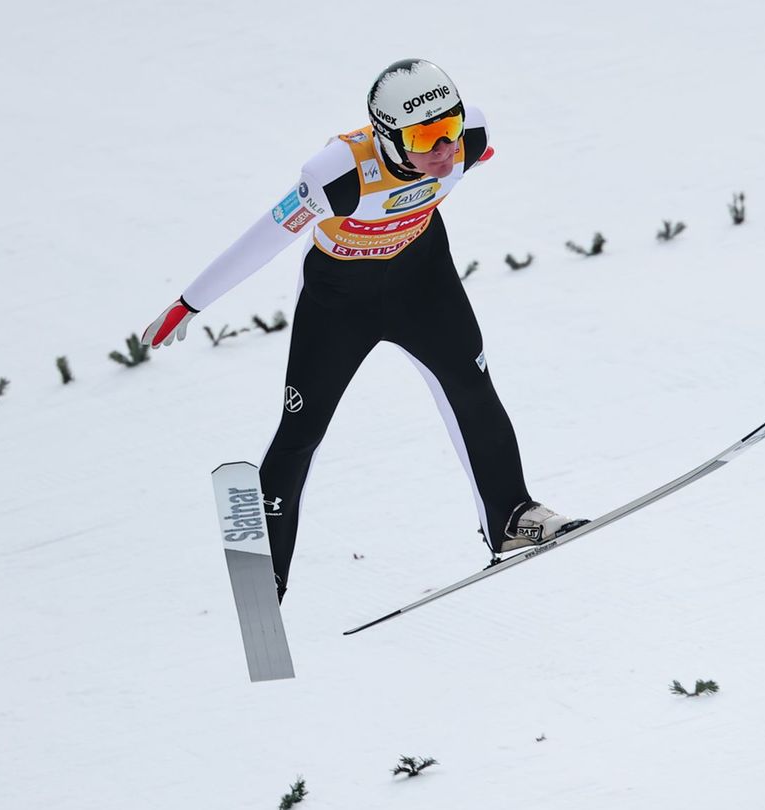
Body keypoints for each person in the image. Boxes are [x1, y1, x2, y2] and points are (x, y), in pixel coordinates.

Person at [142, 58, 585, 602]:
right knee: (301, 431)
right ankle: (263, 569)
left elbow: (467, 148)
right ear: (388, 138)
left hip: (423, 282)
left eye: (449, 128)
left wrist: (461, 146)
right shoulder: (338, 175)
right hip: (339, 303)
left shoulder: (470, 137)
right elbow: (265, 238)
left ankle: (511, 517)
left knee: (473, 390)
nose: (445, 150)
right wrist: (190, 303)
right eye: (426, 137)